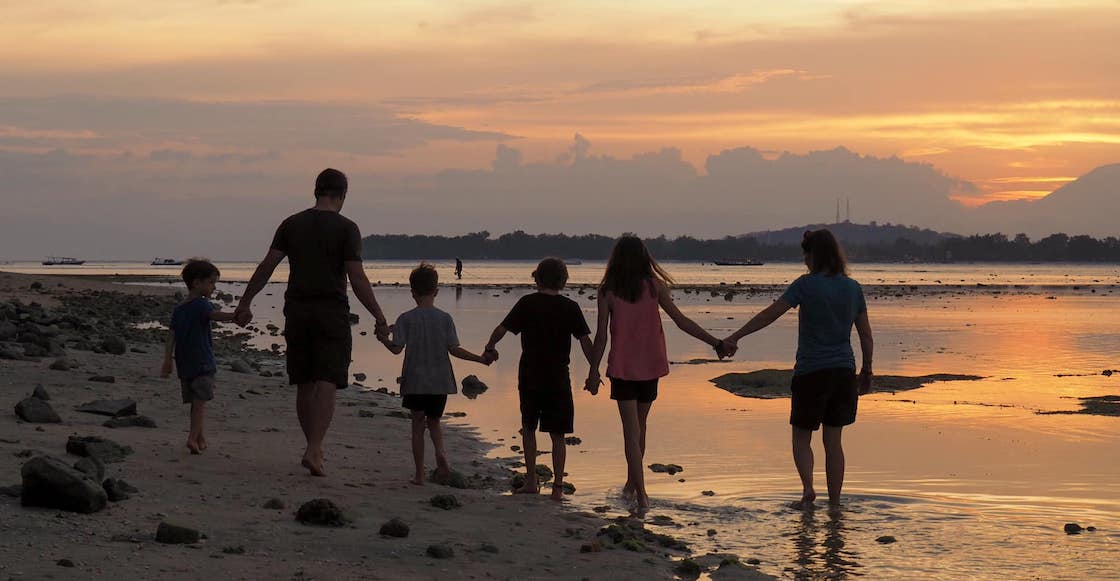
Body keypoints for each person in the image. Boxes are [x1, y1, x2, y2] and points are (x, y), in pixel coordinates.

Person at [233, 168, 390, 477]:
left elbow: (267, 266)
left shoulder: (291, 224)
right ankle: (314, 447)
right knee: (327, 380)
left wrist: (245, 301)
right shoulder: (347, 228)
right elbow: (357, 278)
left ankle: (313, 449)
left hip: (297, 311)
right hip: (331, 312)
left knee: (304, 381)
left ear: (316, 191)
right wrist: (379, 316)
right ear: (342, 195)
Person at [721, 229, 873, 510]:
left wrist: (736, 336)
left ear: (814, 256)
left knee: (801, 437)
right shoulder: (853, 288)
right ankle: (835, 505)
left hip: (811, 372)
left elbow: (770, 314)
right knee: (833, 442)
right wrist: (867, 371)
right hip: (843, 372)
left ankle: (807, 490)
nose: (804, 260)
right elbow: (865, 335)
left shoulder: (805, 285)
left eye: (806, 254)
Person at [587, 235, 727, 510]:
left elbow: (601, 336)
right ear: (644, 258)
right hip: (649, 366)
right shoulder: (654, 286)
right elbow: (681, 321)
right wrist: (716, 343)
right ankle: (634, 487)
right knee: (640, 428)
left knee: (631, 433)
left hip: (623, 368)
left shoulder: (608, 290)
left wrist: (593, 370)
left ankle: (639, 492)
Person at [484, 258, 594, 501]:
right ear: (563, 281)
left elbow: (502, 329)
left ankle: (532, 480)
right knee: (558, 434)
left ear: (537, 279)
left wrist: (490, 347)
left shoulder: (527, 303)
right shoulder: (570, 307)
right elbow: (585, 341)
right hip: (558, 376)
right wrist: (594, 369)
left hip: (530, 374)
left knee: (528, 427)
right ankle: (557, 487)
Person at [379, 263, 490, 485]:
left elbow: (396, 349)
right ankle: (440, 453)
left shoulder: (405, 318)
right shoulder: (445, 318)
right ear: (436, 291)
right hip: (440, 380)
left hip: (415, 381)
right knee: (435, 421)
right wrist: (479, 359)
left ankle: (419, 475)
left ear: (412, 292)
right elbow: (454, 349)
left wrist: (383, 339)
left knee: (417, 425)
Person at [161, 259, 237, 454]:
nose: (214, 287)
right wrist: (235, 316)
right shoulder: (202, 304)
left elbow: (171, 335)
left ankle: (200, 437)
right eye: (211, 282)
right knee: (200, 403)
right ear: (196, 283)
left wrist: (168, 360)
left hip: (184, 363)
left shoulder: (179, 308)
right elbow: (215, 315)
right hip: (203, 362)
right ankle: (192, 438)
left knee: (196, 403)